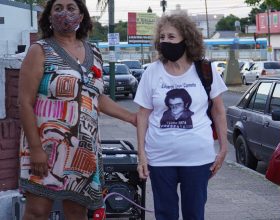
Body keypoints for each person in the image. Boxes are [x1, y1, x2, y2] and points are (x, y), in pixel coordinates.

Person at [18, 0, 137, 219]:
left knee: (76, 213)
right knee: (37, 212)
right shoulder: (40, 50)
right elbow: (24, 102)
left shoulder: (94, 52)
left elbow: (96, 96)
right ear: (49, 16)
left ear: (81, 16)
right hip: (46, 146)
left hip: (83, 148)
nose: (65, 13)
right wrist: (35, 149)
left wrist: (132, 117)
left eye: (71, 8)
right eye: (58, 8)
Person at [135, 13, 228, 220]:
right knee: (165, 214)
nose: (165, 41)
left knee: (194, 214)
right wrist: (141, 154)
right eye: (162, 37)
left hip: (197, 157)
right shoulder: (152, 72)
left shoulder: (205, 70)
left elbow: (219, 111)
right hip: (160, 157)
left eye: (171, 37)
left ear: (186, 40)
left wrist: (223, 147)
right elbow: (142, 116)